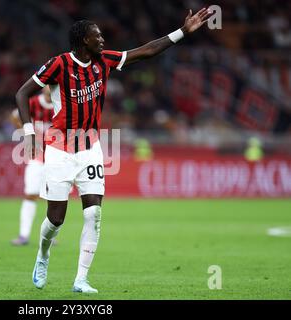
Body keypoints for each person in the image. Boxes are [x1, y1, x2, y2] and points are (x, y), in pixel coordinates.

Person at [15, 8, 212, 293]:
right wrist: (29, 131)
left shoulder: (104, 61)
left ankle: (81, 279)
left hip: (90, 149)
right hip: (59, 150)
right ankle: (43, 255)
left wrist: (182, 31)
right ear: (83, 40)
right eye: (97, 36)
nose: (103, 40)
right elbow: (22, 93)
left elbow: (147, 51)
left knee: (93, 213)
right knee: (56, 219)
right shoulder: (58, 65)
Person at [11, 86, 54, 245]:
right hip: (36, 158)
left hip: (57, 158)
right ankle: (24, 235)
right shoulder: (33, 103)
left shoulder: (62, 103)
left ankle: (50, 236)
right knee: (30, 194)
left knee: (55, 197)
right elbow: (14, 116)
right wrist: (26, 133)